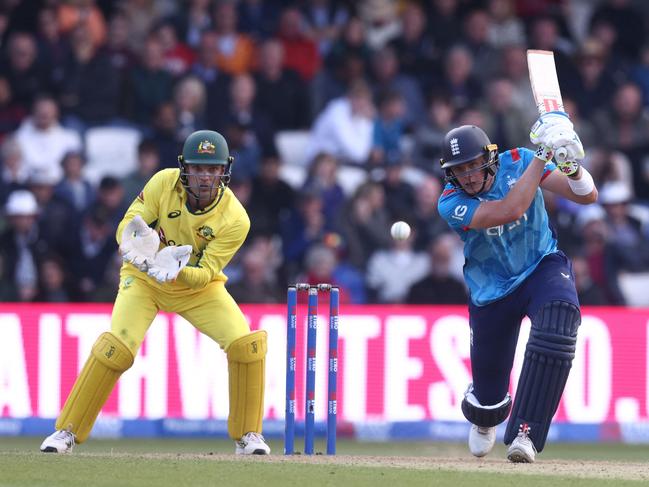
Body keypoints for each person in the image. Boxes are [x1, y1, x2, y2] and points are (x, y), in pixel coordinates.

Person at [40, 130, 270, 455]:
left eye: (213, 169)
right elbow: (127, 224)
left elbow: (204, 274)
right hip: (144, 278)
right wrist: (134, 241)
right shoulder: (164, 182)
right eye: (198, 168)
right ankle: (66, 432)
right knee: (117, 347)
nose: (205, 176)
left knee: (246, 346)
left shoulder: (236, 219)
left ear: (224, 171)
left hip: (196, 289)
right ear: (184, 168)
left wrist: (177, 271)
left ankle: (249, 435)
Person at [437, 112, 598, 463]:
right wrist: (543, 154)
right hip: (491, 291)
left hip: (540, 265)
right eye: (460, 170)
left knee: (560, 319)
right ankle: (485, 413)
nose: (468, 175)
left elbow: (587, 196)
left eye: (474, 165)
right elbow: (510, 210)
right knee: (489, 403)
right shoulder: (450, 203)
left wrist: (569, 164)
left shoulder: (519, 161)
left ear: (489, 157)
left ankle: (526, 432)